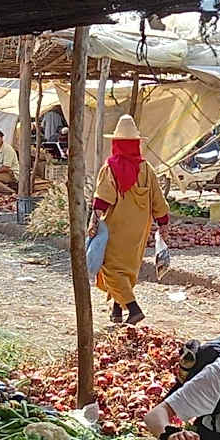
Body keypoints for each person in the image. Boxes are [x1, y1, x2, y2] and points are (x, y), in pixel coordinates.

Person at [87, 114, 170, 325]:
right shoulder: (147, 169)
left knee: (111, 268)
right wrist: (163, 223)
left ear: (116, 143)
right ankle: (117, 310)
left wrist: (93, 221)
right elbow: (158, 200)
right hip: (140, 229)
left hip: (117, 227)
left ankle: (133, 309)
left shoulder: (111, 168)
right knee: (128, 268)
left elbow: (103, 200)